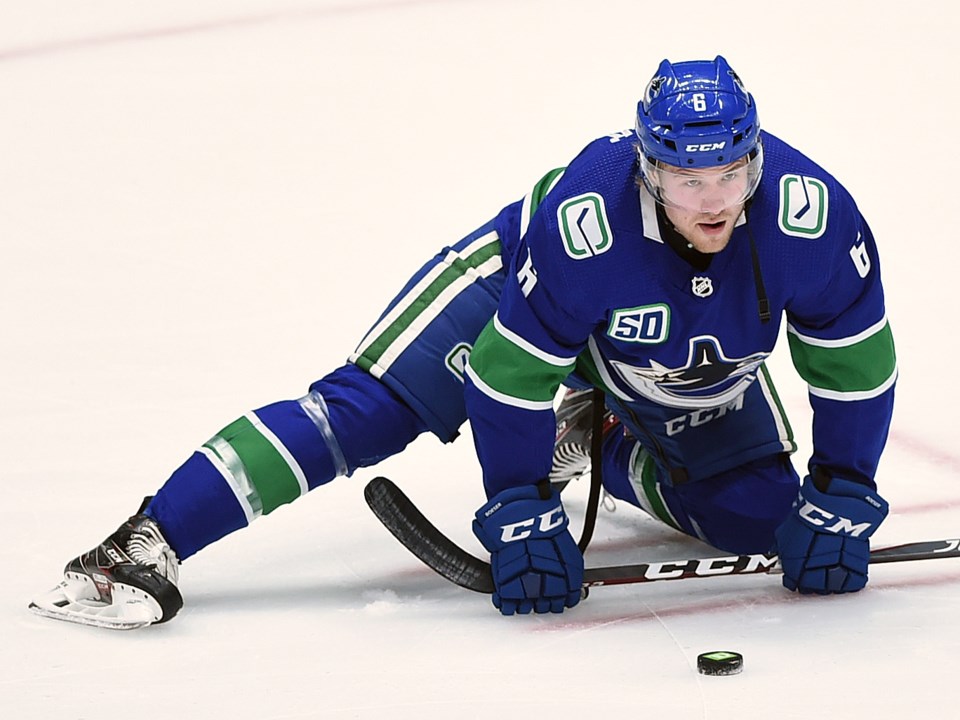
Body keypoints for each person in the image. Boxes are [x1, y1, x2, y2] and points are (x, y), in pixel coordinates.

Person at [30, 56, 896, 628]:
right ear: (647, 168)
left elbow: (855, 366)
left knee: (766, 521)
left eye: (730, 173)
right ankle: (141, 544)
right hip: (517, 292)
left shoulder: (806, 219)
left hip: (675, 344)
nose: (712, 199)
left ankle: (608, 444)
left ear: (754, 161)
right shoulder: (584, 225)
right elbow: (512, 376)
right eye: (685, 177)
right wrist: (517, 505)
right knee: (361, 415)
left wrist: (847, 488)